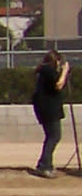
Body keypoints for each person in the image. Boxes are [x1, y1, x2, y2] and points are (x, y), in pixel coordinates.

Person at [33, 48, 70, 178]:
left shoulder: (46, 71)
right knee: (54, 136)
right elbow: (58, 85)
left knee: (52, 136)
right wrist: (65, 72)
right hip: (49, 108)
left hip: (47, 107)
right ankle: (44, 165)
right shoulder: (48, 70)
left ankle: (46, 163)